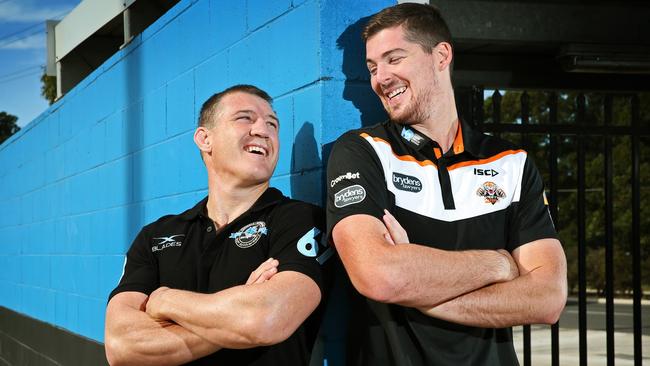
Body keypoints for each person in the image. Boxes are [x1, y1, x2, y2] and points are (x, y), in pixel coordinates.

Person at [326, 3, 567, 365]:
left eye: (394, 59)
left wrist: (417, 285)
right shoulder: (362, 151)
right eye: (373, 67)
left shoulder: (512, 163)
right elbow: (379, 277)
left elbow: (547, 298)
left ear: (441, 56)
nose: (380, 78)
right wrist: (498, 265)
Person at [105, 84, 333, 365]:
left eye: (272, 124)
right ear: (205, 139)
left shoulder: (302, 221)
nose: (263, 130)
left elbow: (265, 319)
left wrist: (166, 301)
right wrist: (237, 317)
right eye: (245, 118)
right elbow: (121, 346)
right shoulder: (156, 236)